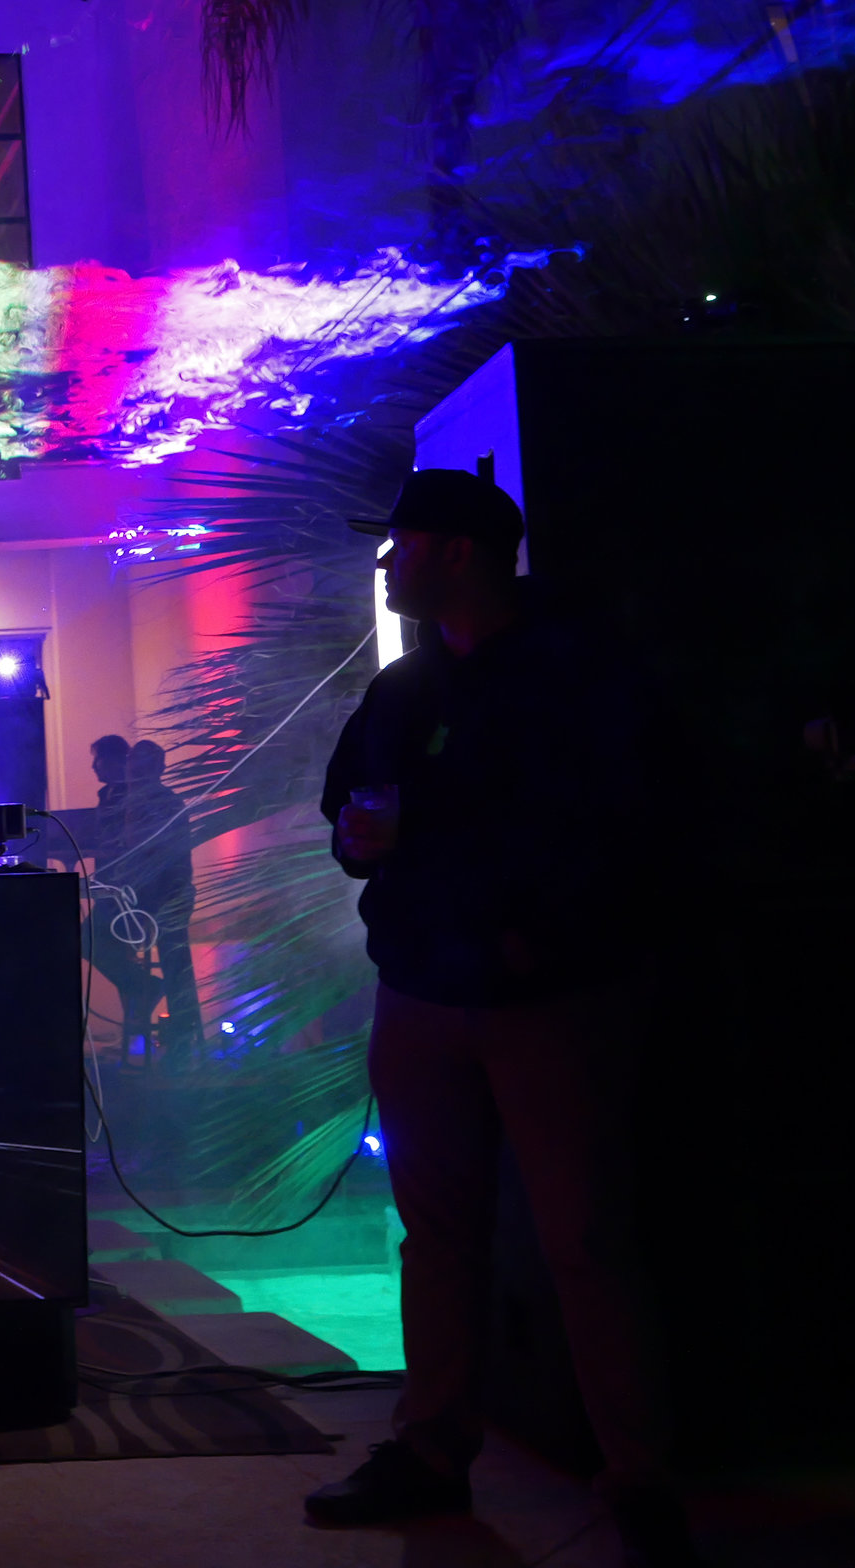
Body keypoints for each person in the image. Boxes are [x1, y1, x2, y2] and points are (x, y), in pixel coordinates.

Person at [306, 470, 697, 1568]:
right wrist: (356, 843)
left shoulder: (578, 672)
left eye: (401, 544)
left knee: (582, 1238)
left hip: (549, 997)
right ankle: (435, 1448)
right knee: (446, 1234)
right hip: (425, 989)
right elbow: (347, 807)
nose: (387, 562)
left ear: (458, 553)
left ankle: (638, 1478)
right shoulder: (405, 686)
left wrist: (537, 927)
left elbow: (629, 823)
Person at [115, 738, 204, 1060]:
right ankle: (178, 1034)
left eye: (137, 765)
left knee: (173, 965)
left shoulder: (158, 803)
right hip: (161, 897)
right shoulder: (154, 801)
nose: (132, 771)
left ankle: (176, 1032)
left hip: (165, 898)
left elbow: (146, 848)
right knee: (175, 966)